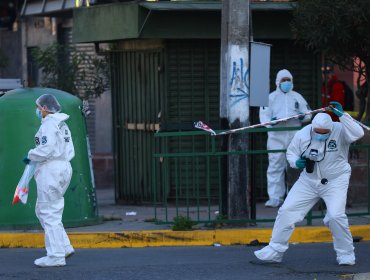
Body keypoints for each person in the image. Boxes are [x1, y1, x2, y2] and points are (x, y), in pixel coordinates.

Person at [254, 102, 364, 266]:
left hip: (335, 180)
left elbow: (358, 133)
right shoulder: (303, 133)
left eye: (324, 133)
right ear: (312, 128)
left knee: (335, 216)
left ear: (330, 129)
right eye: (317, 132)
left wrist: (343, 116)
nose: (320, 135)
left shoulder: (340, 130)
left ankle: (346, 254)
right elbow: (291, 152)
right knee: (287, 210)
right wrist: (295, 162)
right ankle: (274, 251)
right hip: (309, 180)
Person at [24, 94, 75, 267]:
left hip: (51, 169)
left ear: (45, 108)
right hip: (63, 167)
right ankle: (64, 247)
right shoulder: (62, 123)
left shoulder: (49, 124)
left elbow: (46, 149)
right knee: (44, 210)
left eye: (38, 107)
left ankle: (55, 256)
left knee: (48, 212)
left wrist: (30, 154)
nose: (37, 111)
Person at [260, 69, 311, 208]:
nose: (286, 83)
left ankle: (295, 197)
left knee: (295, 165)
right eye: (283, 80)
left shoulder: (297, 97)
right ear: (278, 82)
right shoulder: (270, 98)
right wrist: (273, 121)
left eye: (288, 80)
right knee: (276, 166)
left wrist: (302, 116)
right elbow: (264, 118)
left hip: (294, 136)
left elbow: (308, 114)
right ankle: (275, 197)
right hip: (276, 137)